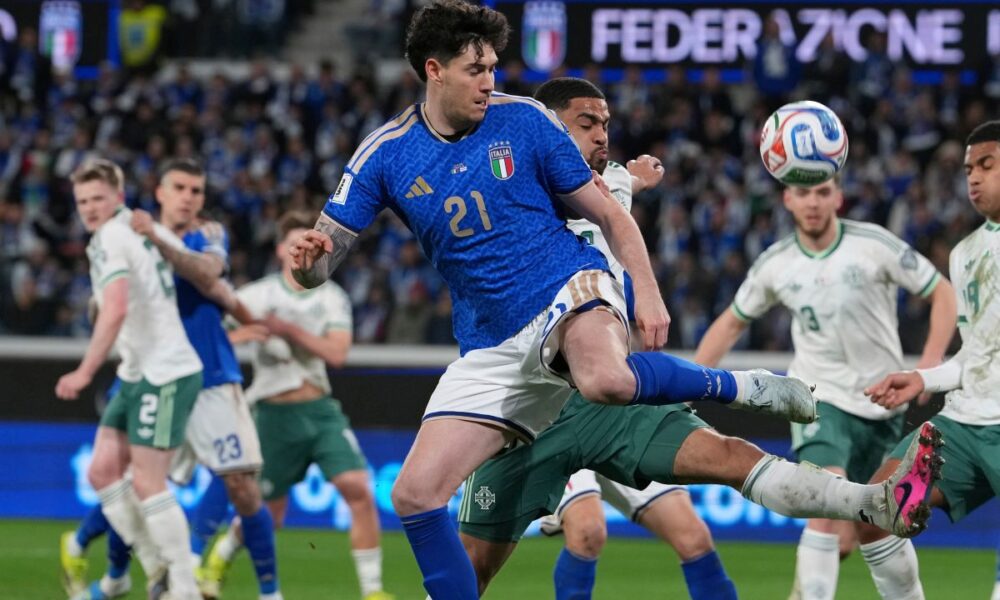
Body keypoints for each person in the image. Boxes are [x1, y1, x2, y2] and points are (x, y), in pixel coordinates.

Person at [288, 2, 935, 596]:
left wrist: (648, 297)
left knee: (642, 425)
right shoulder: (388, 155)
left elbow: (610, 208)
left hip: (569, 304)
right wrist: (311, 262)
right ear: (434, 70)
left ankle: (796, 439)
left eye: (493, 67)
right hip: (500, 360)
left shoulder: (526, 125)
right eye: (475, 69)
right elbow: (325, 252)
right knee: (415, 497)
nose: (489, 81)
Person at [692, 175, 956, 600]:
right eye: (802, 193)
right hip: (819, 402)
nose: (812, 202)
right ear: (787, 199)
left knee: (873, 528)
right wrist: (691, 387)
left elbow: (942, 292)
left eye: (821, 192)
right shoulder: (776, 263)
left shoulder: (874, 244)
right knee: (824, 503)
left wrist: (928, 362)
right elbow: (730, 323)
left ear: (838, 196)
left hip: (883, 408)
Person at [528, 77, 736, 600]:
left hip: (616, 398)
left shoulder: (606, 186)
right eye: (587, 124)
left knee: (693, 535)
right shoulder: (525, 193)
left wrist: (638, 176)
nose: (602, 136)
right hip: (552, 407)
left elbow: (622, 181)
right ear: (551, 127)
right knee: (590, 532)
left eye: (605, 126)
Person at [59, 158, 283, 600]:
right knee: (124, 477)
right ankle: (116, 575)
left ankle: (267, 592)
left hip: (208, 375)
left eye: (196, 191)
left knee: (240, 486)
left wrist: (247, 321)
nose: (188, 198)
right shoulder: (129, 234)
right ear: (158, 193)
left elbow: (211, 277)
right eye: (179, 188)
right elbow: (109, 300)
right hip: (149, 371)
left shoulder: (205, 234)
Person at [206, 210, 394, 600]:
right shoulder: (254, 295)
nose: (300, 251)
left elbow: (338, 353)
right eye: (292, 243)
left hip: (319, 409)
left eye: (306, 243)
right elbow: (210, 333)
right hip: (273, 414)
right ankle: (219, 559)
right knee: (267, 516)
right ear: (279, 249)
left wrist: (287, 330)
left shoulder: (331, 297)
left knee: (358, 488)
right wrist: (245, 335)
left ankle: (373, 592)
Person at [862, 120, 1000, 600]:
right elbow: (978, 352)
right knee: (881, 508)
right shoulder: (965, 255)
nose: (974, 179)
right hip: (964, 427)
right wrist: (924, 378)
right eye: (968, 170)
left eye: (987, 165)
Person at [56, 159, 203, 599]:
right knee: (102, 471)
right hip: (138, 370)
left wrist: (83, 371)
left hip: (166, 372)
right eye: (82, 201)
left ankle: (182, 587)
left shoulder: (110, 238)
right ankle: (154, 563)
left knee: (147, 482)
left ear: (117, 197)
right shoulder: (134, 228)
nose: (89, 209)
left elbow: (116, 306)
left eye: (98, 198)